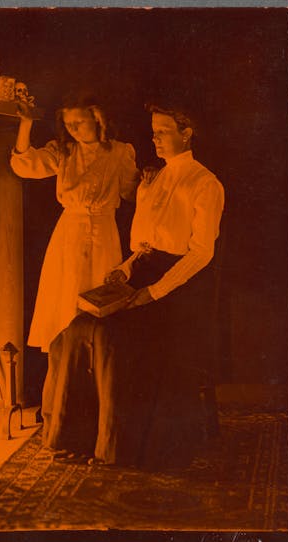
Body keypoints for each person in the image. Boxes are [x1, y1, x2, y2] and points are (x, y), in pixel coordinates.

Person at [41, 102, 224, 469]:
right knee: (76, 329)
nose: (154, 138)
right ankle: (74, 437)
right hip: (143, 272)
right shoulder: (153, 178)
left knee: (109, 338)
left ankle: (115, 444)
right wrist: (124, 270)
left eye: (163, 131)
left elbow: (201, 254)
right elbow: (143, 243)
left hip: (179, 288)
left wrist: (152, 292)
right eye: (153, 131)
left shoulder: (206, 183)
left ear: (186, 133)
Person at [10, 92, 140, 354]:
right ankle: (65, 366)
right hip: (68, 234)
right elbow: (24, 166)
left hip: (104, 234)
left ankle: (96, 368)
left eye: (79, 123)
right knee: (66, 296)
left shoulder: (120, 151)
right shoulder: (63, 151)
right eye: (68, 124)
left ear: (98, 119)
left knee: (100, 298)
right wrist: (26, 124)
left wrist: (147, 179)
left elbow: (132, 193)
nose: (73, 129)